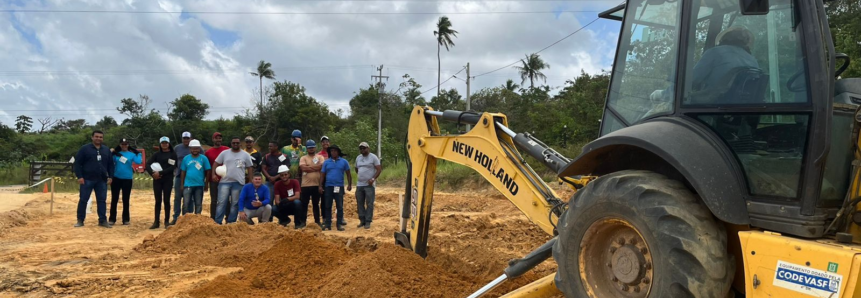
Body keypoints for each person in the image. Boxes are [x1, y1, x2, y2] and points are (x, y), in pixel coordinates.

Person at [691, 27, 759, 92]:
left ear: (724, 38)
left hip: (714, 101)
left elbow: (692, 79)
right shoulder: (753, 60)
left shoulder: (715, 52)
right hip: (745, 103)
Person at [73, 130, 114, 228]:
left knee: (102, 200)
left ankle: (103, 221)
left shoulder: (106, 150)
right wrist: (80, 176)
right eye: (96, 136)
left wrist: (111, 177)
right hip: (87, 179)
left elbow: (110, 165)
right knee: (83, 200)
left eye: (100, 137)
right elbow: (77, 163)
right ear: (92, 137)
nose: (98, 138)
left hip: (102, 180)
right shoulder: (84, 149)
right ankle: (80, 220)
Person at [213, 137, 254, 224]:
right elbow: (216, 163)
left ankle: (231, 222)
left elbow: (250, 167)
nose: (235, 144)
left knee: (235, 204)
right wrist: (213, 174)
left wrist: (250, 180)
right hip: (224, 182)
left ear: (240, 144)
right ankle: (218, 222)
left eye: (237, 143)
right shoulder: (224, 153)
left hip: (238, 182)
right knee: (221, 202)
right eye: (233, 143)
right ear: (231, 144)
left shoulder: (245, 155)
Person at [146, 136, 178, 229]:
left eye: (166, 143)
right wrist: (152, 173)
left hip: (167, 179)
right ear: (160, 144)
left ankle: (166, 221)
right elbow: (147, 164)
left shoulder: (173, 154)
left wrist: (160, 173)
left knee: (167, 201)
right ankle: (156, 222)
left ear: (169, 144)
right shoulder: (156, 154)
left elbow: (172, 167)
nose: (164, 144)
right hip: (157, 180)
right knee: (158, 201)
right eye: (163, 143)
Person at [109, 139, 141, 226]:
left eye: (125, 144)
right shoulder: (116, 154)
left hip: (127, 178)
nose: (124, 145)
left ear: (128, 145)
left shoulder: (132, 154)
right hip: (116, 178)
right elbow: (109, 161)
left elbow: (138, 161)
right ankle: (112, 219)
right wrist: (111, 152)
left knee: (126, 199)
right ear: (120, 145)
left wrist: (138, 153)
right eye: (122, 144)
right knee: (114, 199)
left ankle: (126, 219)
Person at [320, 145, 352, 231]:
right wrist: (320, 186)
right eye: (332, 151)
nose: (333, 152)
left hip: (339, 186)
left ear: (338, 152)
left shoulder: (344, 162)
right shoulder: (326, 162)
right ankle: (328, 224)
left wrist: (349, 184)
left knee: (339, 206)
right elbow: (322, 174)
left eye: (335, 151)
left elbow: (348, 173)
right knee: (327, 205)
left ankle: (339, 224)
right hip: (328, 186)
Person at [354, 142, 382, 229]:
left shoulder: (373, 157)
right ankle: (362, 220)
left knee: (369, 203)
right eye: (361, 148)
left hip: (369, 185)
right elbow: (356, 169)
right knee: (360, 203)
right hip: (359, 185)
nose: (362, 150)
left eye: (364, 148)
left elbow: (379, 169)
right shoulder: (358, 158)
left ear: (368, 148)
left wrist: (373, 179)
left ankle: (368, 221)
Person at [299, 140, 325, 228]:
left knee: (316, 204)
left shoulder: (320, 157)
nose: (311, 149)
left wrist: (308, 167)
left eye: (312, 147)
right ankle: (303, 222)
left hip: (317, 184)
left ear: (315, 147)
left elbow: (322, 166)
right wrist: (315, 168)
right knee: (304, 204)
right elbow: (303, 168)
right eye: (309, 147)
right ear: (306, 148)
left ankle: (317, 221)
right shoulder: (303, 158)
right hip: (305, 185)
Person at [180, 139, 210, 215]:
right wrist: (182, 184)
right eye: (193, 148)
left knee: (198, 204)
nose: (195, 150)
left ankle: (197, 221)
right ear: (190, 149)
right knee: (186, 203)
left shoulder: (203, 158)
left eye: (197, 148)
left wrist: (206, 184)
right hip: (187, 185)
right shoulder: (186, 158)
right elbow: (183, 171)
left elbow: (208, 171)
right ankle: (184, 220)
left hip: (199, 185)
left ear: (199, 148)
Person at [205, 132, 229, 220]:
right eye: (216, 138)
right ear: (213, 139)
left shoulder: (227, 149)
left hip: (226, 179)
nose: (218, 139)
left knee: (226, 199)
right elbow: (207, 167)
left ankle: (228, 218)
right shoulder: (208, 152)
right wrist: (207, 181)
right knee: (214, 200)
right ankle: (213, 218)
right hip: (213, 180)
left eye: (220, 138)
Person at [171, 131, 193, 225]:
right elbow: (172, 160)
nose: (186, 140)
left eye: (188, 138)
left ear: (190, 139)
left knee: (189, 198)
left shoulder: (196, 148)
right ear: (182, 139)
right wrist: (174, 170)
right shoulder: (177, 148)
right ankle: (176, 218)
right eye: (184, 138)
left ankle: (188, 217)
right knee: (177, 197)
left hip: (191, 177)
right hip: (179, 176)